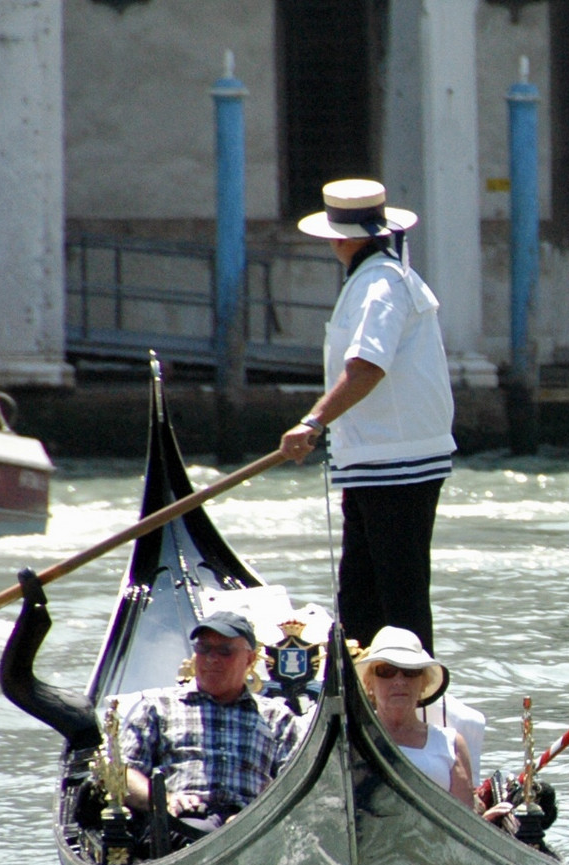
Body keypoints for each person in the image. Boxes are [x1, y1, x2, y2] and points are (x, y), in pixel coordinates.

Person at [280, 179, 455, 653]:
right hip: (374, 460)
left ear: (343, 238)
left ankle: (411, 701)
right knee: (360, 598)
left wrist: (311, 422)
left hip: (396, 461)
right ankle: (365, 692)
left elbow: (366, 369)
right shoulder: (375, 279)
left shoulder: (379, 285)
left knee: (397, 600)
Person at [118, 612, 302, 824]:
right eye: (204, 649)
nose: (212, 659)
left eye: (225, 651)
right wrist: (164, 800)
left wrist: (258, 814)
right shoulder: (157, 706)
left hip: (252, 824)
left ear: (250, 659)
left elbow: (295, 782)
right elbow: (123, 773)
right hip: (182, 820)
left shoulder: (276, 717)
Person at [353, 626, 474, 808]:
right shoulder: (351, 741)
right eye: (387, 671)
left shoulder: (451, 744)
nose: (399, 681)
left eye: (410, 671)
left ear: (422, 682)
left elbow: (466, 822)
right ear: (370, 683)